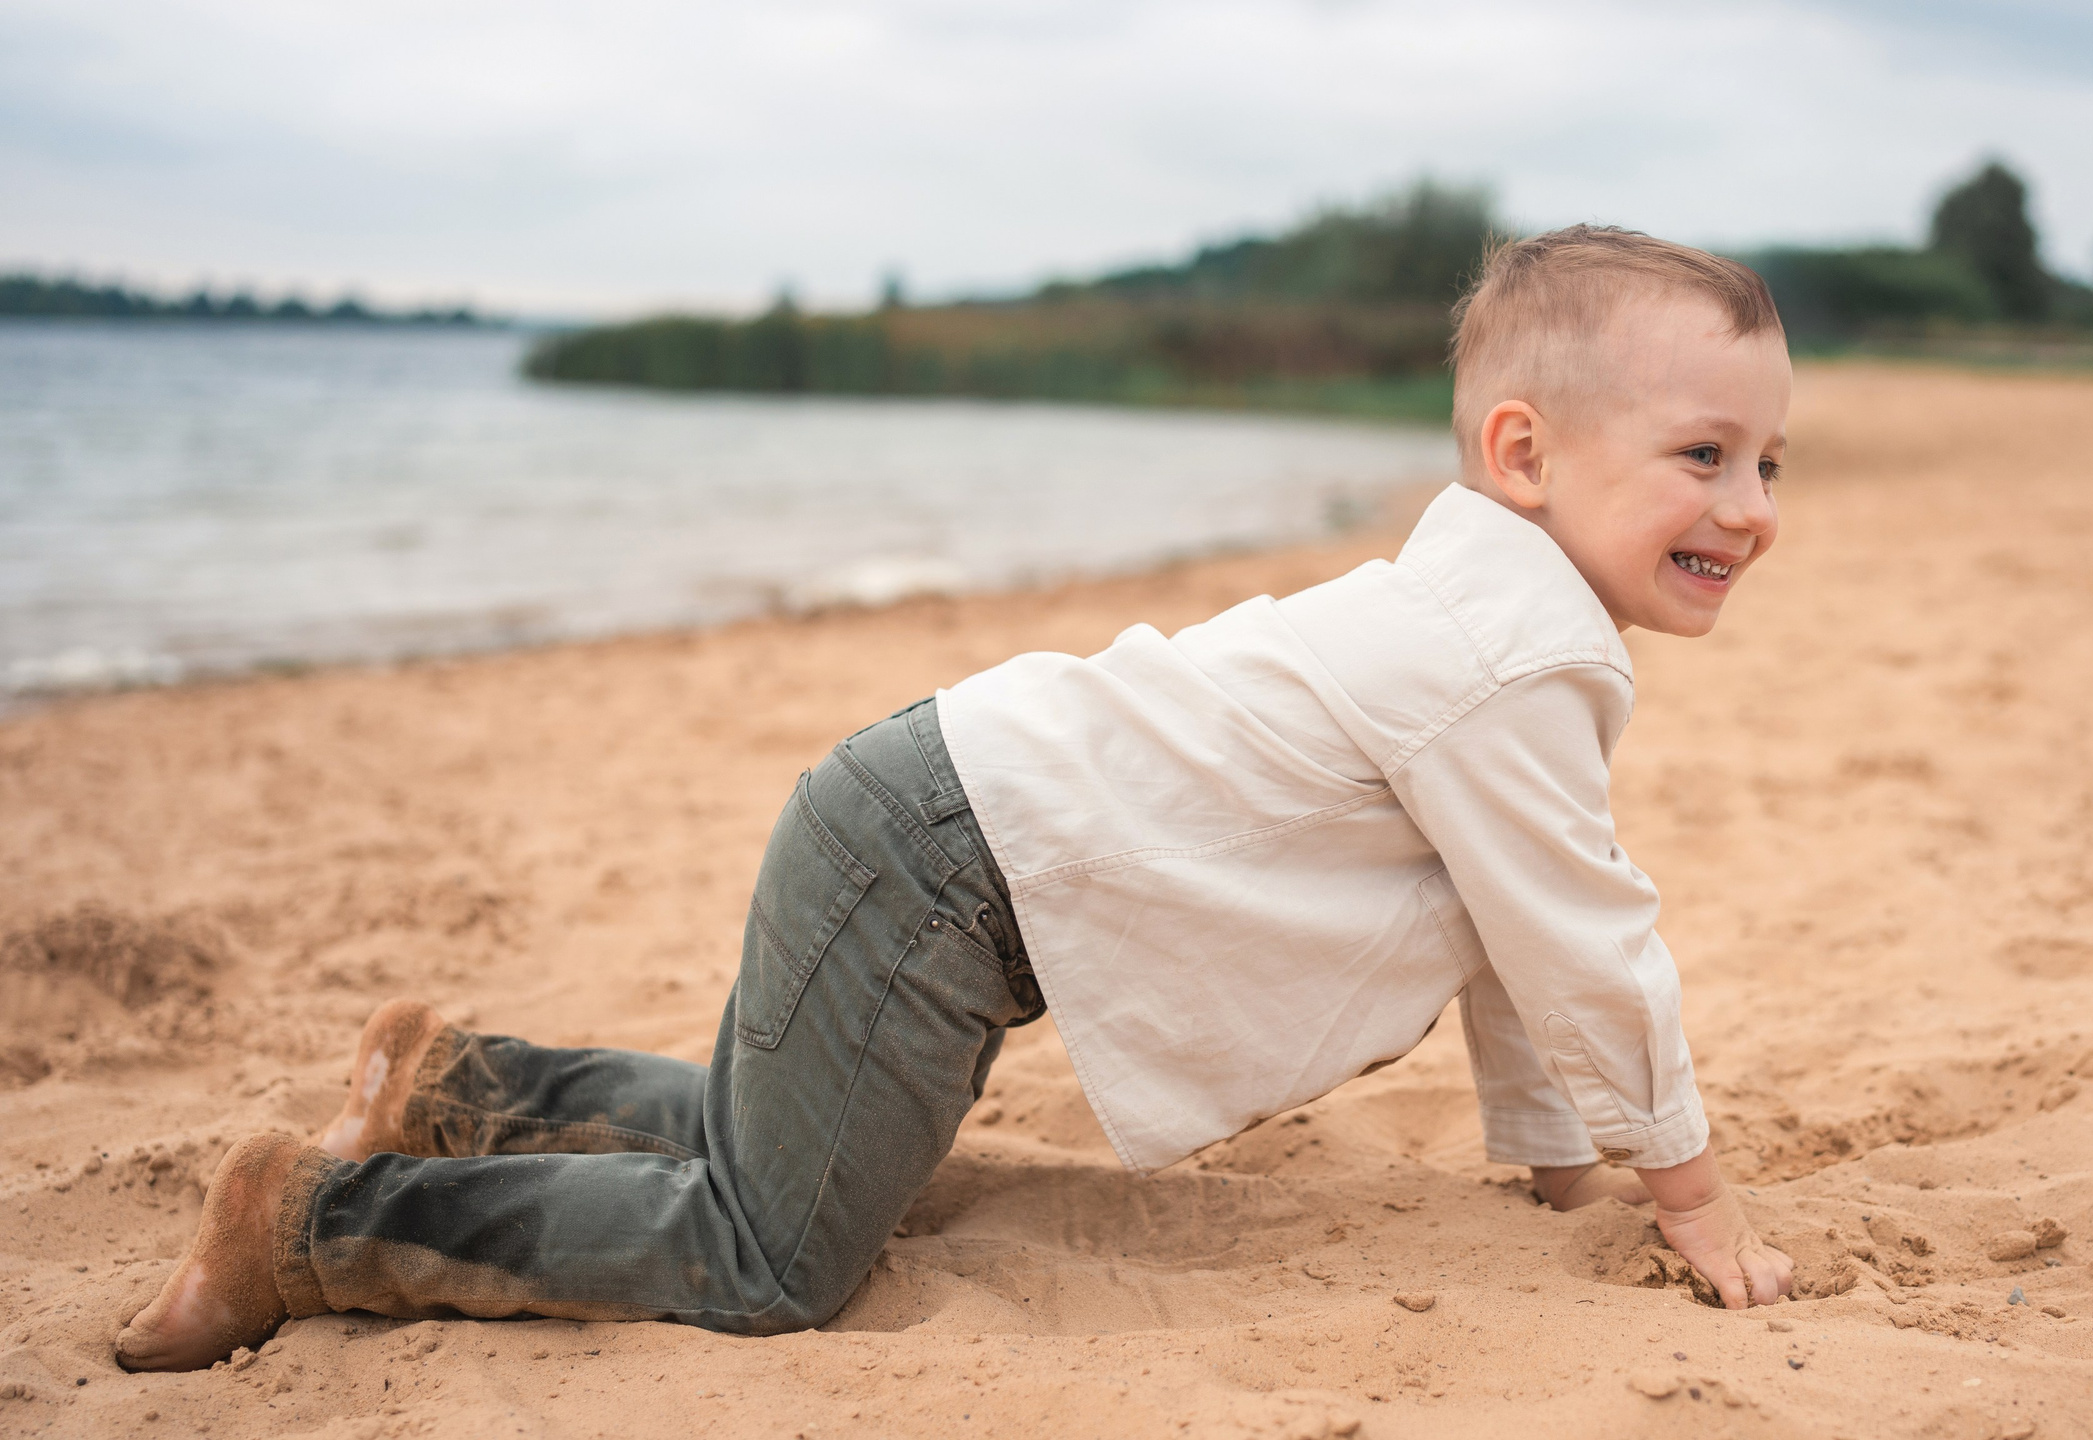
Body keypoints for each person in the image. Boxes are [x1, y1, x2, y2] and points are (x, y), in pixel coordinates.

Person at [115, 226, 1798, 1373]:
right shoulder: (1510, 658)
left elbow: (1517, 934)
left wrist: (1568, 1168)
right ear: (1521, 453)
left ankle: (458, 1082)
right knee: (770, 1257)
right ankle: (317, 1225)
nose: (1752, 502)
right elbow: (1586, 944)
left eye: (1770, 461)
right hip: (943, 867)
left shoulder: (1487, 625)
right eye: (1704, 455)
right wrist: (1689, 1197)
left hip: (929, 824)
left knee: (772, 1146)